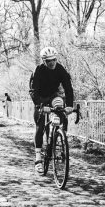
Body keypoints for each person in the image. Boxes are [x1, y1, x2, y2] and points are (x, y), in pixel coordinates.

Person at [31, 46, 74, 174]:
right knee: (40, 126)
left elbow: (68, 88)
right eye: (49, 61)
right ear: (44, 61)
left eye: (54, 60)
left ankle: (59, 136)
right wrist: (39, 105)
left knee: (61, 108)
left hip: (53, 95)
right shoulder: (38, 70)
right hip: (40, 97)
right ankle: (38, 159)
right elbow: (33, 91)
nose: (52, 63)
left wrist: (70, 105)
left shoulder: (60, 69)